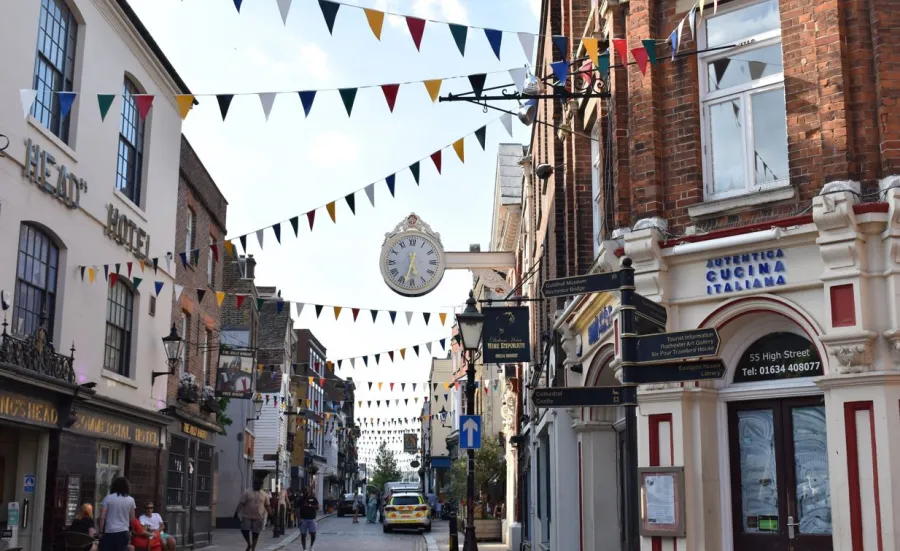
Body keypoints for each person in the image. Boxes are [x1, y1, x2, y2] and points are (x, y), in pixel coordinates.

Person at [98, 477, 136, 551]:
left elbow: (102, 517)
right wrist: (130, 531)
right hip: (123, 532)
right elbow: (132, 519)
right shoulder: (131, 500)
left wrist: (100, 532)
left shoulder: (108, 498)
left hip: (109, 532)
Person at [234, 479, 272, 551]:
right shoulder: (247, 492)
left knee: (255, 534)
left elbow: (267, 506)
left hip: (258, 517)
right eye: (256, 484)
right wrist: (236, 513)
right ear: (253, 484)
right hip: (247, 516)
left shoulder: (264, 494)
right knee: (244, 530)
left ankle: (253, 549)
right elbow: (241, 503)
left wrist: (271, 515)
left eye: (259, 485)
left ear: (261, 486)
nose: (257, 486)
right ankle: (249, 544)